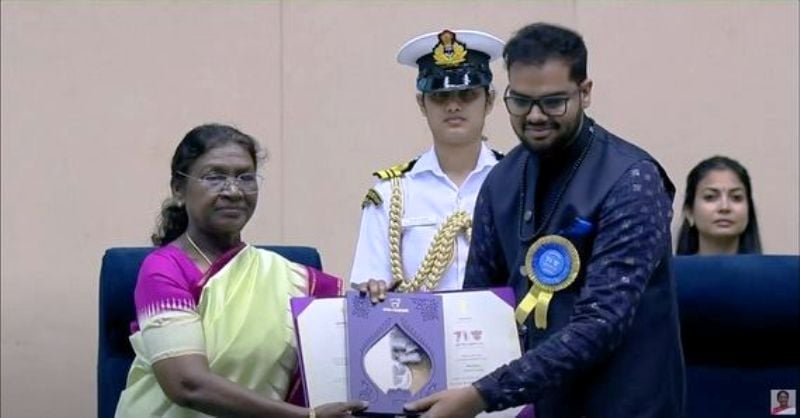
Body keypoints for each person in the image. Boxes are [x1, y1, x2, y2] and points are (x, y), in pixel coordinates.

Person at [405, 23, 685, 418]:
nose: (535, 116)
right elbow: (477, 307)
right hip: (530, 408)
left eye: (553, 102)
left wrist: (481, 395)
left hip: (625, 406)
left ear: (585, 92)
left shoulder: (632, 180)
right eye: (520, 101)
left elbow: (601, 323)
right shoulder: (501, 181)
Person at [115, 124, 366, 418]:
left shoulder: (289, 277)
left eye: (245, 177)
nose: (233, 191)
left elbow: (347, 332)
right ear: (179, 190)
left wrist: (376, 302)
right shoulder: (164, 270)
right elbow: (187, 385)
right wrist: (304, 417)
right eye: (214, 177)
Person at [350, 29, 504, 299]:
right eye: (440, 96)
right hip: (416, 327)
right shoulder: (391, 194)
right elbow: (372, 291)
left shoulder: (516, 183)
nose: (453, 106)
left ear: (489, 101)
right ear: (422, 104)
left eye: (467, 94)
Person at [675, 155, 762, 255]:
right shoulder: (670, 266)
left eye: (736, 197)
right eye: (710, 197)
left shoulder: (770, 265)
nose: (724, 207)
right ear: (689, 212)